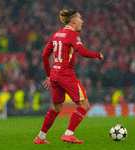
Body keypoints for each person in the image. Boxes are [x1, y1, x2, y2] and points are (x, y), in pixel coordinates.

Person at [34, 9, 104, 144]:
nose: (82, 22)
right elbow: (82, 52)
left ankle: (40, 137)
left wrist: (49, 75)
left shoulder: (56, 34)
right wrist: (98, 54)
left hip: (55, 74)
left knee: (57, 108)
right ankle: (68, 134)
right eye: (80, 19)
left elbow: (44, 56)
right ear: (73, 21)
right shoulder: (72, 34)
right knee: (84, 105)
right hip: (66, 74)